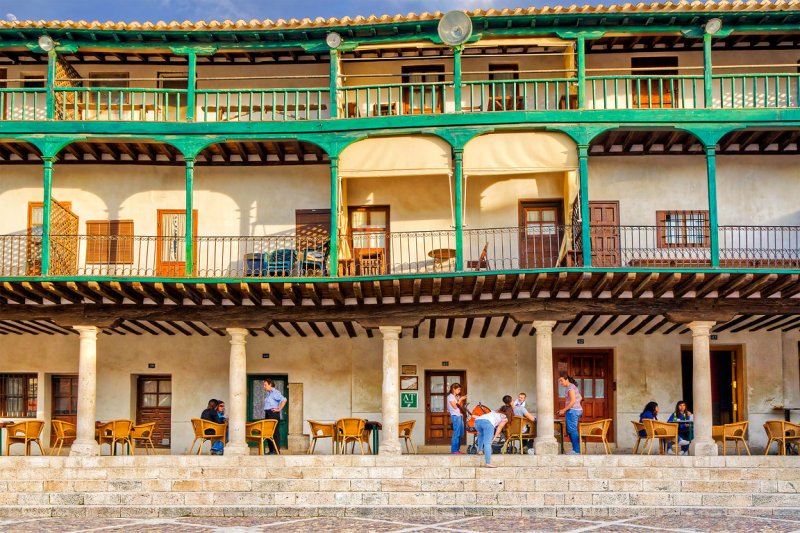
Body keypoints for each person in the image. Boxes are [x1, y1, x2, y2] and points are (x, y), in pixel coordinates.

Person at [557, 375, 583, 455]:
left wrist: (563, 410)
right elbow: (580, 398)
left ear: (566, 379)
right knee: (571, 430)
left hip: (573, 411)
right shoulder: (573, 386)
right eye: (559, 381)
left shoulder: (570, 387)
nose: (560, 383)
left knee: (572, 430)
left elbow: (573, 401)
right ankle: (575, 448)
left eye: (561, 381)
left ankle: (576, 450)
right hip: (577, 410)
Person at [263, 379, 287, 454]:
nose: (264, 387)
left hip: (273, 413)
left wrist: (279, 409)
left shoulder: (275, 392)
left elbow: (284, 399)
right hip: (267, 413)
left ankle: (276, 450)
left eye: (265, 385)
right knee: (268, 432)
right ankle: (271, 450)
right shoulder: (268, 394)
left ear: (270, 384)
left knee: (275, 432)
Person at [447, 383, 467, 454]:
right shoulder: (450, 397)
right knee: (456, 433)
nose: (459, 391)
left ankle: (457, 450)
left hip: (459, 416)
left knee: (461, 433)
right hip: (455, 416)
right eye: (458, 389)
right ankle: (454, 450)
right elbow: (455, 407)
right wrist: (461, 399)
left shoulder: (457, 397)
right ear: (453, 389)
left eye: (460, 389)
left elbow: (459, 407)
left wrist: (460, 399)